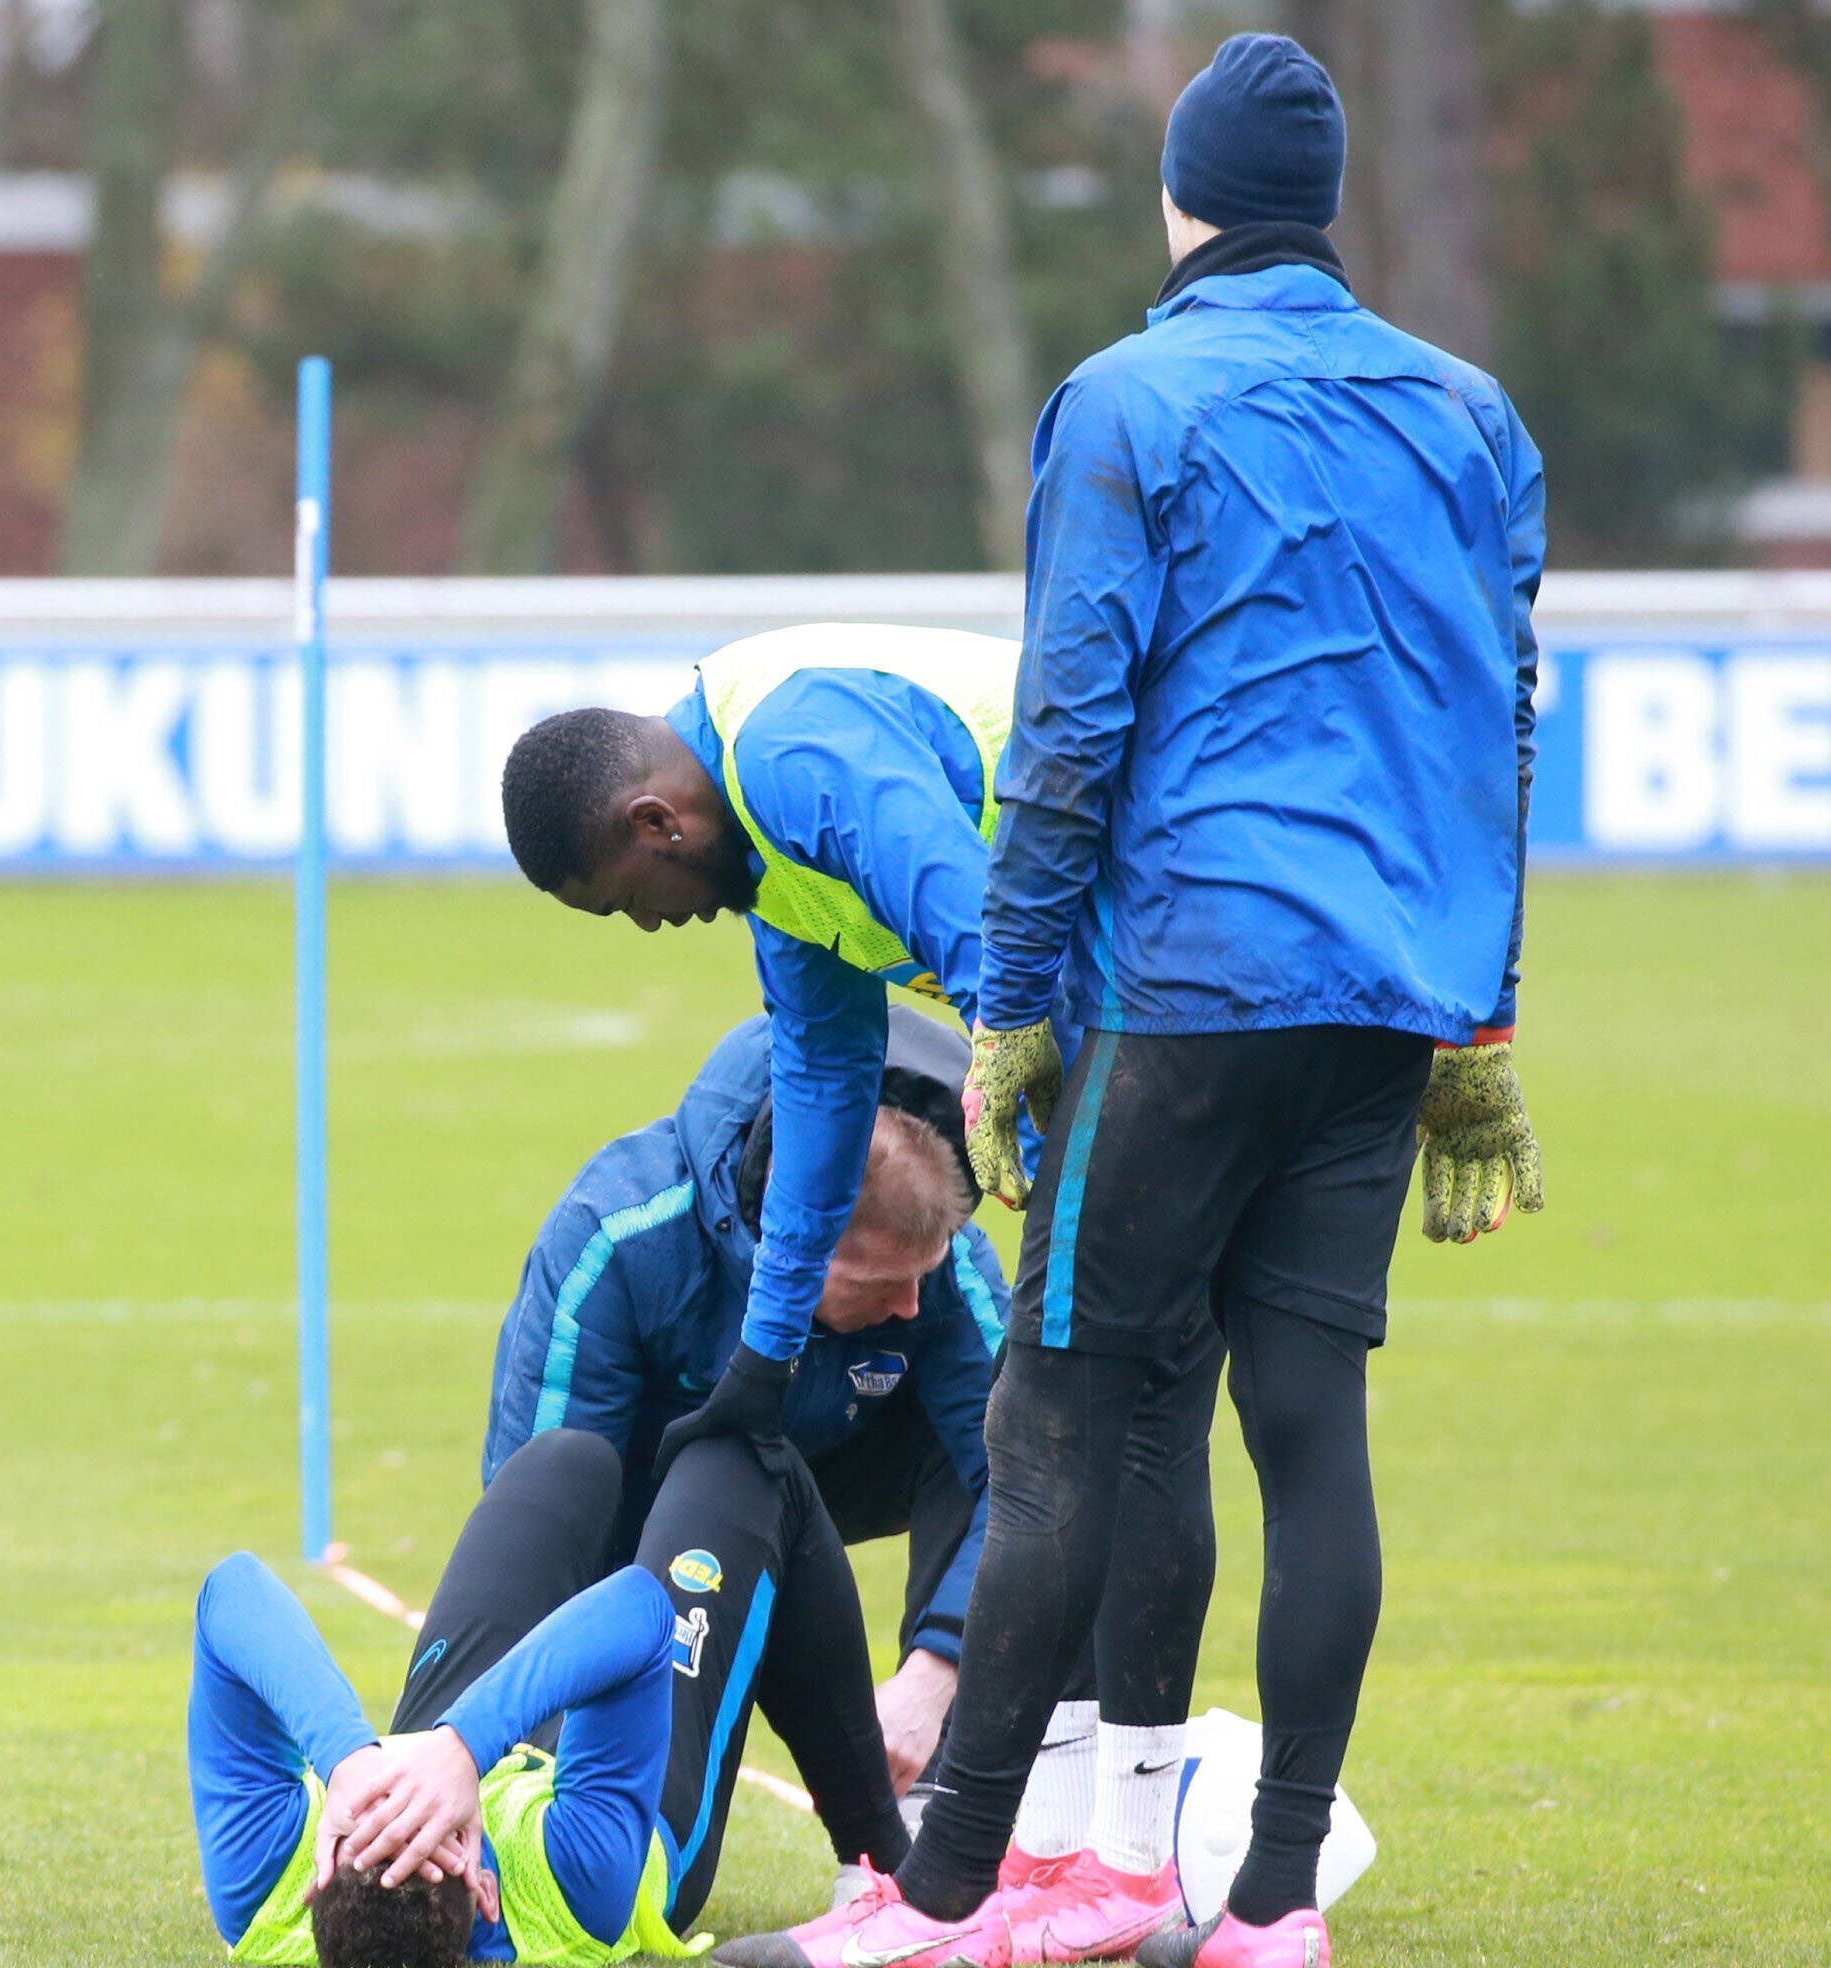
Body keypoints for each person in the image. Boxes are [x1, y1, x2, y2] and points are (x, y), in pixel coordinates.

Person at [735, 35, 1545, 1968]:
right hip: (1385, 999)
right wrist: (1482, 1027)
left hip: (1187, 983)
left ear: (1178, 196)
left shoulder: (1125, 398)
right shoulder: (1473, 412)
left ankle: (943, 1898)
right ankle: (1263, 1905)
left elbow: (1073, 739)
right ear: (1326, 202)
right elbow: (1493, 724)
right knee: (1305, 1424)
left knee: (1060, 1416)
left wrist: (1011, 1010)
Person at [494, 633, 1220, 1962]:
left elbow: (998, 944)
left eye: (627, 899)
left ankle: (1113, 1869)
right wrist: (764, 1359)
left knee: (1098, 1417)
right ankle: (1028, 1861)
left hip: (1218, 896)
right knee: (1074, 1418)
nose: (651, 926)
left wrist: (1060, 1193)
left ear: (655, 823)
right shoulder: (777, 876)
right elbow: (825, 1089)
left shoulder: (792, 754)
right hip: (1142, 977)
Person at [482, 1007, 1008, 1831]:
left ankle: (942, 1812)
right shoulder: (617, 1238)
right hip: (659, 1509)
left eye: (924, 1275)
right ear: (798, 1246)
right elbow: (535, 1527)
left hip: (836, 1474)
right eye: (880, 1286)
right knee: (641, 1817)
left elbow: (1028, 1486)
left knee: (1022, 1442)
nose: (911, 1304)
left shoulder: (940, 1265)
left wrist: (934, 1677)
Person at [190, 1425, 902, 1965]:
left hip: (451, 1738)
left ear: (324, 1864)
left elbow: (233, 1589)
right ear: (484, 1893)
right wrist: (461, 1750)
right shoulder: (571, 1887)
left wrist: (349, 1759)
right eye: (411, 1812)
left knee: (568, 1461)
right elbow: (637, 1611)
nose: (394, 1801)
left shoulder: (271, 1894)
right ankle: (882, 1854)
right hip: (612, 1810)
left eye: (383, 1806)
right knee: (742, 1466)